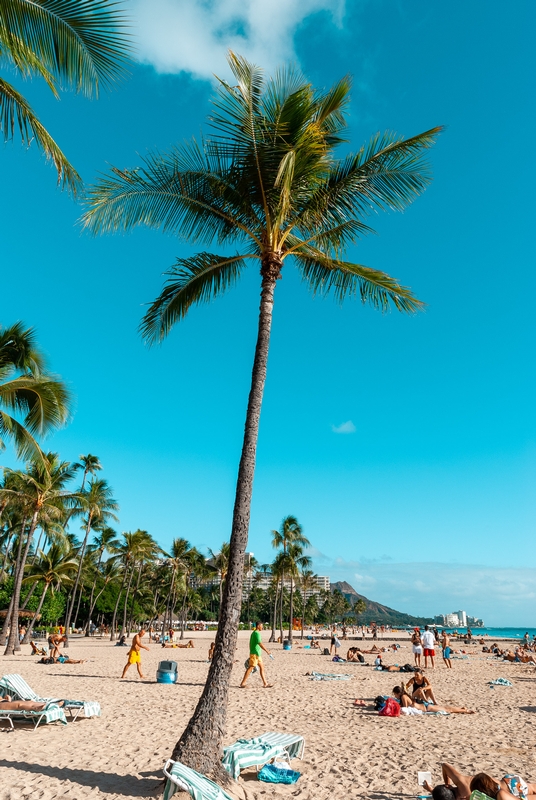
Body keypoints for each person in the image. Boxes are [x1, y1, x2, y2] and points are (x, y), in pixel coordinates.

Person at [392, 686, 474, 715]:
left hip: (426, 708)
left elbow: (405, 708)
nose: (394, 696)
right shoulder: (404, 696)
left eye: (394, 694)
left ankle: (465, 710)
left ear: (397, 693)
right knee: (446, 708)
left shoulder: (403, 696)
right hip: (425, 707)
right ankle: (461, 708)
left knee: (448, 709)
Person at [240, 622, 273, 688]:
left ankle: (265, 683)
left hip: (258, 654)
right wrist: (267, 651)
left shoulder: (254, 633)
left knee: (262, 667)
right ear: (258, 626)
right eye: (261, 626)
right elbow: (260, 643)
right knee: (250, 668)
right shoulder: (256, 633)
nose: (262, 627)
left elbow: (250, 643)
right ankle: (242, 683)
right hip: (254, 654)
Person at [470, 773, 536, 800]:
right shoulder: (497, 791)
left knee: (530, 792)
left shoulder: (501, 794)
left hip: (513, 790)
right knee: (531, 788)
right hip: (507, 780)